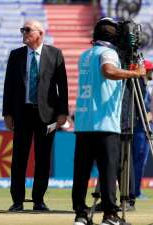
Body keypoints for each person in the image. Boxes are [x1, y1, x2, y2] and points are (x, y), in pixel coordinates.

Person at [72, 17, 146, 225]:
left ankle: (80, 213)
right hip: (105, 123)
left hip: (84, 123)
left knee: (82, 171)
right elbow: (108, 70)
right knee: (108, 171)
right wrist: (135, 72)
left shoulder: (85, 55)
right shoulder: (109, 53)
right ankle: (110, 215)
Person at [2, 20, 68, 211]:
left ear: (40, 33)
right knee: (19, 158)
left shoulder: (55, 54)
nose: (23, 32)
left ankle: (39, 200)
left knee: (43, 158)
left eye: (27, 30)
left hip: (47, 115)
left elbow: (62, 86)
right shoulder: (16, 55)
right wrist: (7, 112)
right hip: (22, 113)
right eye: (22, 29)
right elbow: (9, 86)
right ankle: (17, 201)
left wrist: (63, 112)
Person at [132, 60, 153, 200]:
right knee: (137, 159)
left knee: (141, 160)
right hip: (139, 126)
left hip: (146, 126)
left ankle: (136, 190)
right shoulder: (138, 84)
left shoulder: (145, 85)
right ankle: (133, 191)